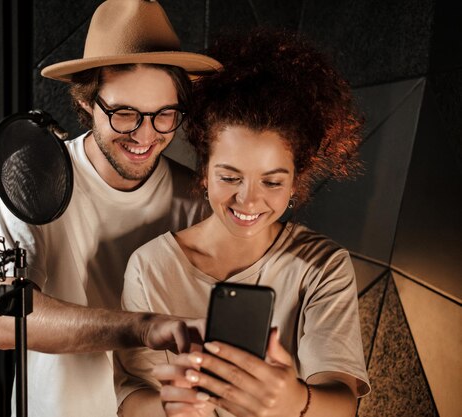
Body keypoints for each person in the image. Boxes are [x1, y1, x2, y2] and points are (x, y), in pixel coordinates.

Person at [114, 28, 371, 417]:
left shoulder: (323, 266)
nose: (248, 200)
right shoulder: (150, 267)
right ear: (203, 169)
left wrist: (294, 400)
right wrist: (167, 408)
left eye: (272, 181)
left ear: (297, 177)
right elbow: (131, 398)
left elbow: (341, 401)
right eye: (229, 178)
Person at [0, 1, 222, 416]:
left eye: (164, 115)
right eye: (125, 113)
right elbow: (5, 322)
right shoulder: (33, 178)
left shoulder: (198, 200)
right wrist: (143, 328)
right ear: (86, 103)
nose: (145, 135)